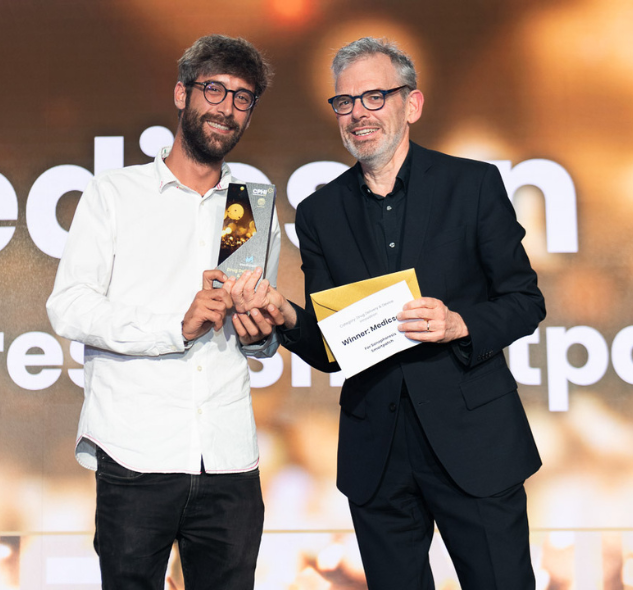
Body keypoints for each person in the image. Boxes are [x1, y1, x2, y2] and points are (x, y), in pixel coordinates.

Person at [246, 37, 545, 589]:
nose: (358, 113)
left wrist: (460, 324)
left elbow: (525, 301)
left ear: (412, 104)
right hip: (377, 457)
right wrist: (285, 315)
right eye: (345, 102)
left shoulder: (472, 185)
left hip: (474, 442)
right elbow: (333, 347)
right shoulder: (319, 212)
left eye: (375, 97)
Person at [46, 35, 279, 590]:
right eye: (214, 90)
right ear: (181, 94)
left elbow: (257, 340)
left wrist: (260, 332)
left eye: (242, 97)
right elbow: (69, 307)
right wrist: (174, 327)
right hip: (136, 454)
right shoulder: (116, 194)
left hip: (227, 458)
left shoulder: (249, 201)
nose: (226, 108)